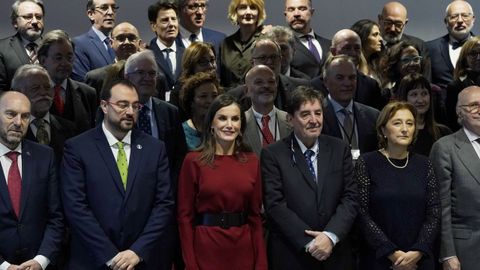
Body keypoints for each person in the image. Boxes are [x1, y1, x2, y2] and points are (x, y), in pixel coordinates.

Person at [61, 79, 175, 270]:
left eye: (135, 106)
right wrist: (110, 256)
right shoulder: (78, 148)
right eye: (123, 105)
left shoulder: (155, 148)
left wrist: (137, 251)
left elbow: (164, 204)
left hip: (142, 260)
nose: (130, 112)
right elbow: (76, 207)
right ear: (104, 106)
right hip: (93, 260)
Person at [261, 86, 358, 269]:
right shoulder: (273, 154)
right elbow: (275, 205)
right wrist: (311, 243)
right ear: (290, 119)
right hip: (293, 255)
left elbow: (351, 198)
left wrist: (330, 236)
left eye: (318, 113)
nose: (314, 120)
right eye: (305, 114)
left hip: (336, 254)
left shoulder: (339, 149)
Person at [177, 94, 268, 270]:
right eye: (222, 118)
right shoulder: (193, 161)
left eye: (235, 119)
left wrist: (261, 263)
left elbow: (255, 217)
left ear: (241, 124)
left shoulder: (252, 161)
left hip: (243, 250)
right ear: (211, 123)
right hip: (206, 249)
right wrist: (190, 264)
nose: (229, 125)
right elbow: (184, 218)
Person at [355, 101, 440, 270]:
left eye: (410, 123)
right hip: (380, 259)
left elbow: (434, 212)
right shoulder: (367, 162)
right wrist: (392, 252)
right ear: (383, 130)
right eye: (397, 123)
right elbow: (361, 213)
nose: (405, 129)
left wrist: (418, 251)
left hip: (419, 260)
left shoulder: (424, 164)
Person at [0, 91, 63, 270]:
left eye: (25, 116)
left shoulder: (45, 156)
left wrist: (41, 260)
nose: (18, 123)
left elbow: (56, 216)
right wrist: (4, 266)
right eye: (11, 114)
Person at [430, 86, 480, 270]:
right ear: (460, 112)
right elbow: (441, 207)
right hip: (466, 251)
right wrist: (447, 254)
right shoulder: (445, 148)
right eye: (474, 105)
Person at [11, 64, 76, 162]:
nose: (43, 93)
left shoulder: (71, 129)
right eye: (35, 88)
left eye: (47, 87)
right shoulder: (9, 130)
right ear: (17, 93)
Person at [37, 29, 97, 133]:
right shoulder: (31, 93)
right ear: (43, 60)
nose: (65, 63)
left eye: (69, 57)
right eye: (58, 57)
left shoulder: (87, 93)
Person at [321, 55, 379, 158]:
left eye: (352, 77)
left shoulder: (373, 116)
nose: (347, 83)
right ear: (326, 81)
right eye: (340, 78)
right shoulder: (317, 115)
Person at [228, 38, 310, 111]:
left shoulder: (301, 87)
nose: (269, 62)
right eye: (263, 58)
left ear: (280, 60)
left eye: (274, 57)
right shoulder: (235, 97)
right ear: (252, 63)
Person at [311, 29, 384, 110]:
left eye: (357, 48)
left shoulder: (371, 85)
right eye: (347, 48)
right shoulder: (315, 86)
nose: (353, 53)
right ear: (333, 51)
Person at [84, 22, 143, 100]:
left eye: (131, 38)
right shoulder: (96, 79)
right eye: (121, 38)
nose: (127, 42)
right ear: (111, 43)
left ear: (139, 43)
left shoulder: (154, 78)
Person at [397, 74, 451, 156]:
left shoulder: (443, 133)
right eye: (414, 94)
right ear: (404, 98)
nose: (420, 100)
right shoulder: (396, 134)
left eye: (424, 94)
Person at [243, 65, 291, 156]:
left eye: (271, 82)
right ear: (246, 91)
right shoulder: (240, 124)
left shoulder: (292, 121)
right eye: (259, 82)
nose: (266, 86)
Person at [427, 1, 475, 91]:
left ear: (473, 19)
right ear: (446, 22)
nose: (460, 20)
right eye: (454, 17)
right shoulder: (430, 48)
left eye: (465, 15)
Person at [378, 1, 431, 81]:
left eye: (398, 24)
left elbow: (425, 82)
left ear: (405, 23)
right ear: (380, 20)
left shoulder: (418, 46)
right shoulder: (368, 45)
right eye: (388, 23)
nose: (392, 29)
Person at [219, 0, 267, 88]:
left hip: (258, 98)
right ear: (235, 12)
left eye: (253, 8)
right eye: (243, 7)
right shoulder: (225, 44)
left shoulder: (267, 41)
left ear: (259, 12)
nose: (248, 12)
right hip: (231, 99)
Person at [0, 0, 45, 91]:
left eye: (39, 17)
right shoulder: (2, 49)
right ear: (15, 22)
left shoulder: (54, 47)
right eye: (28, 17)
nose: (35, 21)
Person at [170, 41, 218, 120]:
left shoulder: (217, 86)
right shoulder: (178, 92)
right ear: (191, 65)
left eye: (212, 60)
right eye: (203, 62)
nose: (210, 66)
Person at [72, 0, 118, 82]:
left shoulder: (120, 44)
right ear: (91, 14)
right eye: (104, 8)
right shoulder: (79, 44)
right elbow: (82, 84)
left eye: (113, 8)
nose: (110, 12)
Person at [284, 0, 331, 79]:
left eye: (302, 9)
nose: (296, 14)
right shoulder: (282, 47)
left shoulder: (329, 44)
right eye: (291, 10)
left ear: (312, 12)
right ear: (286, 15)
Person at [148, 1, 184, 99]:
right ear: (154, 26)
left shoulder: (187, 54)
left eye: (174, 19)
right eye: (165, 20)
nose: (171, 24)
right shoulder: (146, 55)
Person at [180, 70, 221, 150]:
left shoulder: (224, 128)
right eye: (203, 96)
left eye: (214, 95)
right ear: (191, 101)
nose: (210, 101)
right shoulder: (181, 132)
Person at [445, 36, 480, 131]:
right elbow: (452, 122)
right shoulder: (455, 86)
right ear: (464, 58)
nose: (478, 58)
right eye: (473, 54)